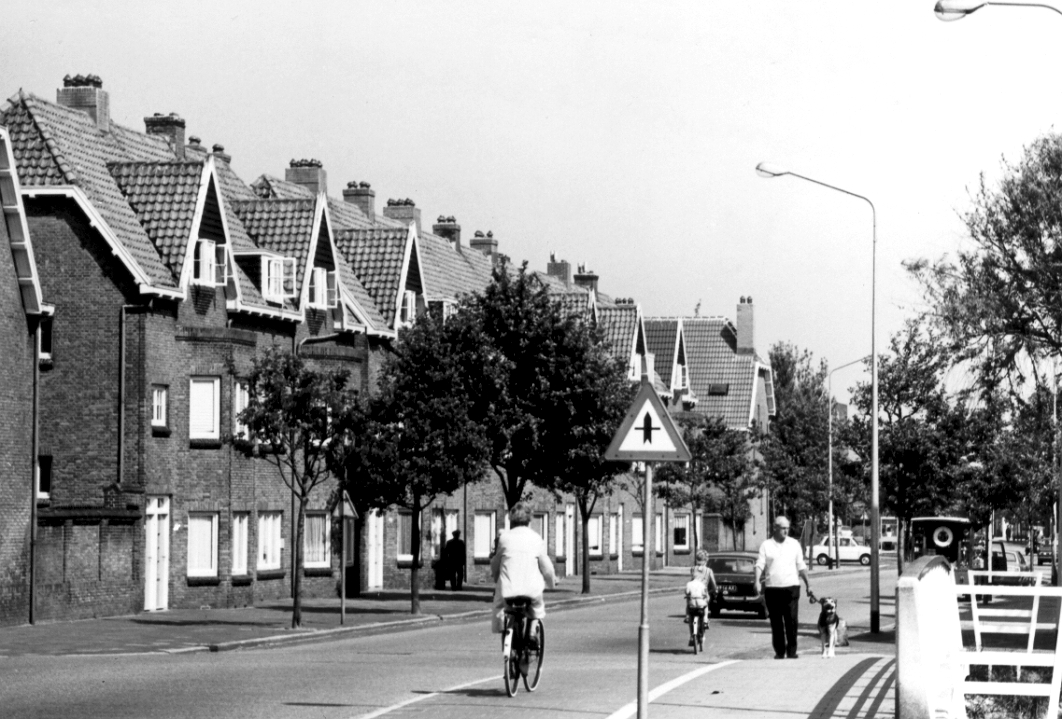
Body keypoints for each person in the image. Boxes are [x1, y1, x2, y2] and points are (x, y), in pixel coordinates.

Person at [490, 502, 557, 635]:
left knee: (501, 606)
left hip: (508, 589)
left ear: (511, 518)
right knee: (537, 608)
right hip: (531, 589)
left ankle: (503, 629)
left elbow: (495, 563)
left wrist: (496, 577)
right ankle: (532, 631)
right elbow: (547, 567)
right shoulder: (536, 538)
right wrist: (552, 583)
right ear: (529, 518)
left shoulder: (504, 538)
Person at [753, 515, 812, 659]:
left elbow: (801, 566)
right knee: (776, 622)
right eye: (783, 528)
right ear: (775, 528)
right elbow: (760, 564)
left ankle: (792, 652)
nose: (786, 531)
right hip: (772, 588)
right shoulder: (766, 545)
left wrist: (808, 585)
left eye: (787, 528)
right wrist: (757, 581)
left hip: (791, 587)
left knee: (791, 620)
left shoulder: (794, 544)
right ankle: (779, 652)